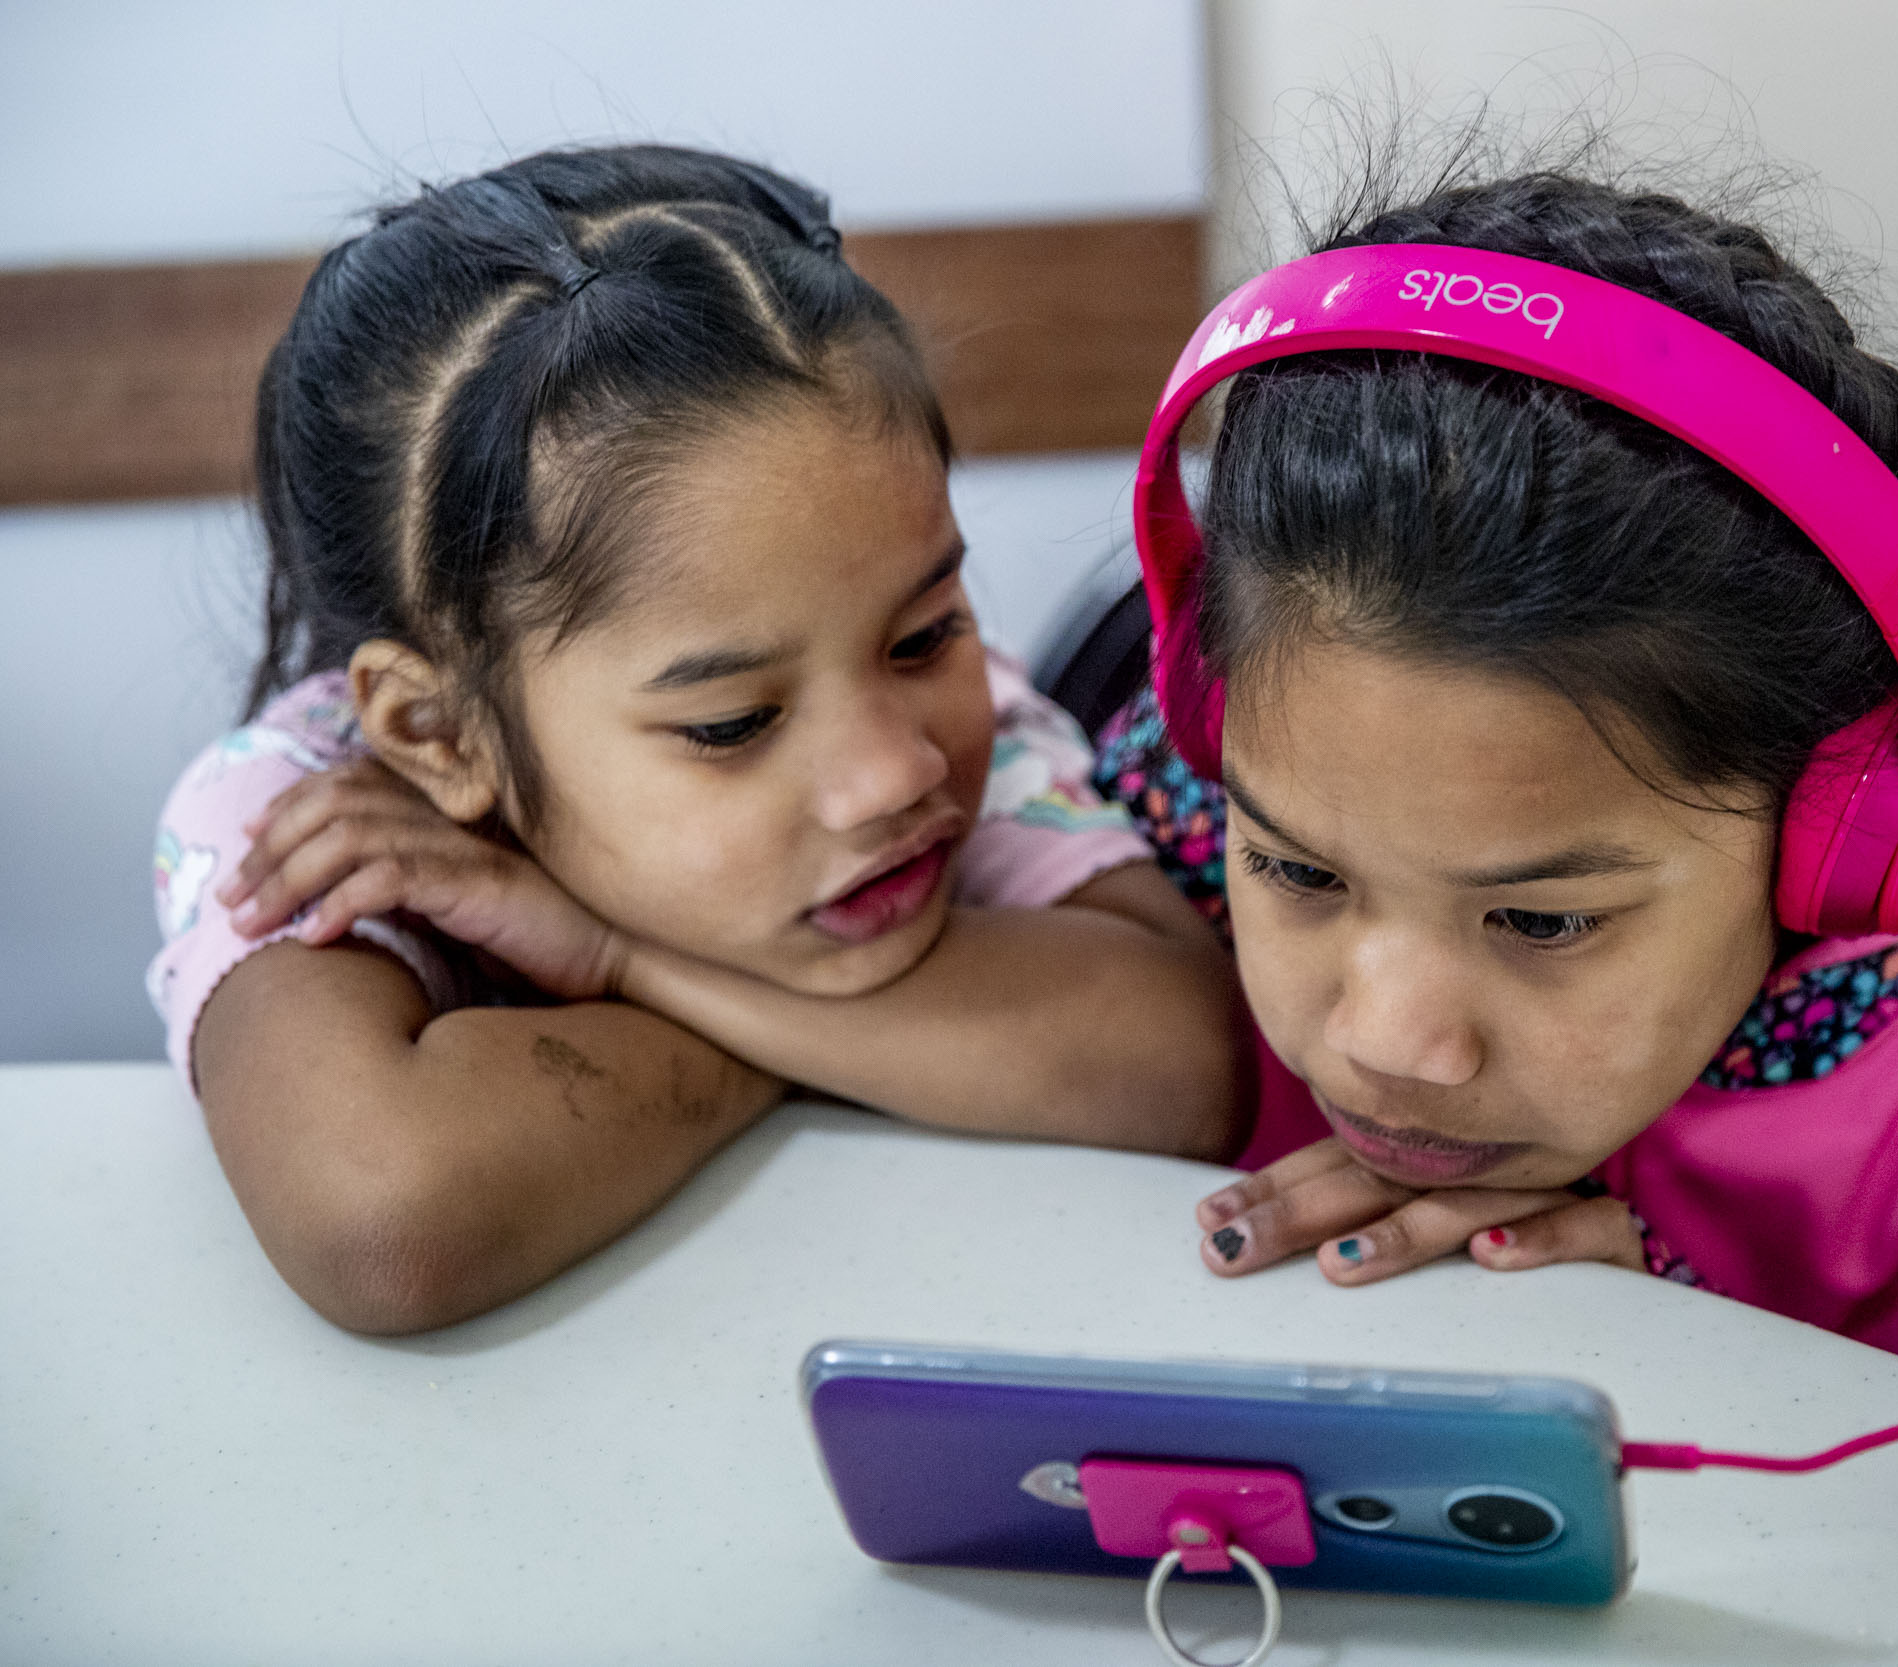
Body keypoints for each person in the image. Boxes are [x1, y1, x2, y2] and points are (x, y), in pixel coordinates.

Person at [1096, 169, 1898, 1468]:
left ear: (1854, 834)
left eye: (1542, 915)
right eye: (1297, 871)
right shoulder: (1227, 759)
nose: (1390, 1044)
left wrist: (1703, 1339)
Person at [149, 145, 1241, 1336]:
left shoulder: (963, 709)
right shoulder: (310, 814)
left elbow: (1184, 1066)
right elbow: (384, 1222)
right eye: (733, 722)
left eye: (924, 632)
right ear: (438, 731)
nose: (899, 769)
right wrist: (867, 1044)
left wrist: (621, 956)